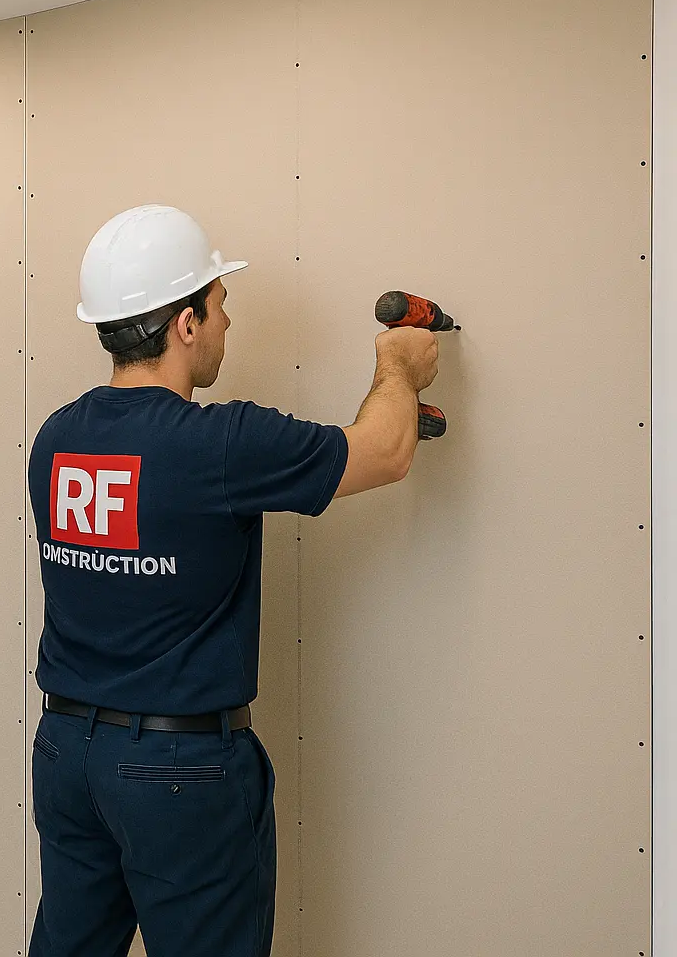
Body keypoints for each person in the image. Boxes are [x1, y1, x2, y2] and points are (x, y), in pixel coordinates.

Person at [25, 205, 438, 957]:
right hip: (177, 772)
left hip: (66, 755)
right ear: (185, 324)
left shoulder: (56, 440)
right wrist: (400, 367)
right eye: (220, 304)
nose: (227, 322)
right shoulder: (220, 444)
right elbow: (386, 451)